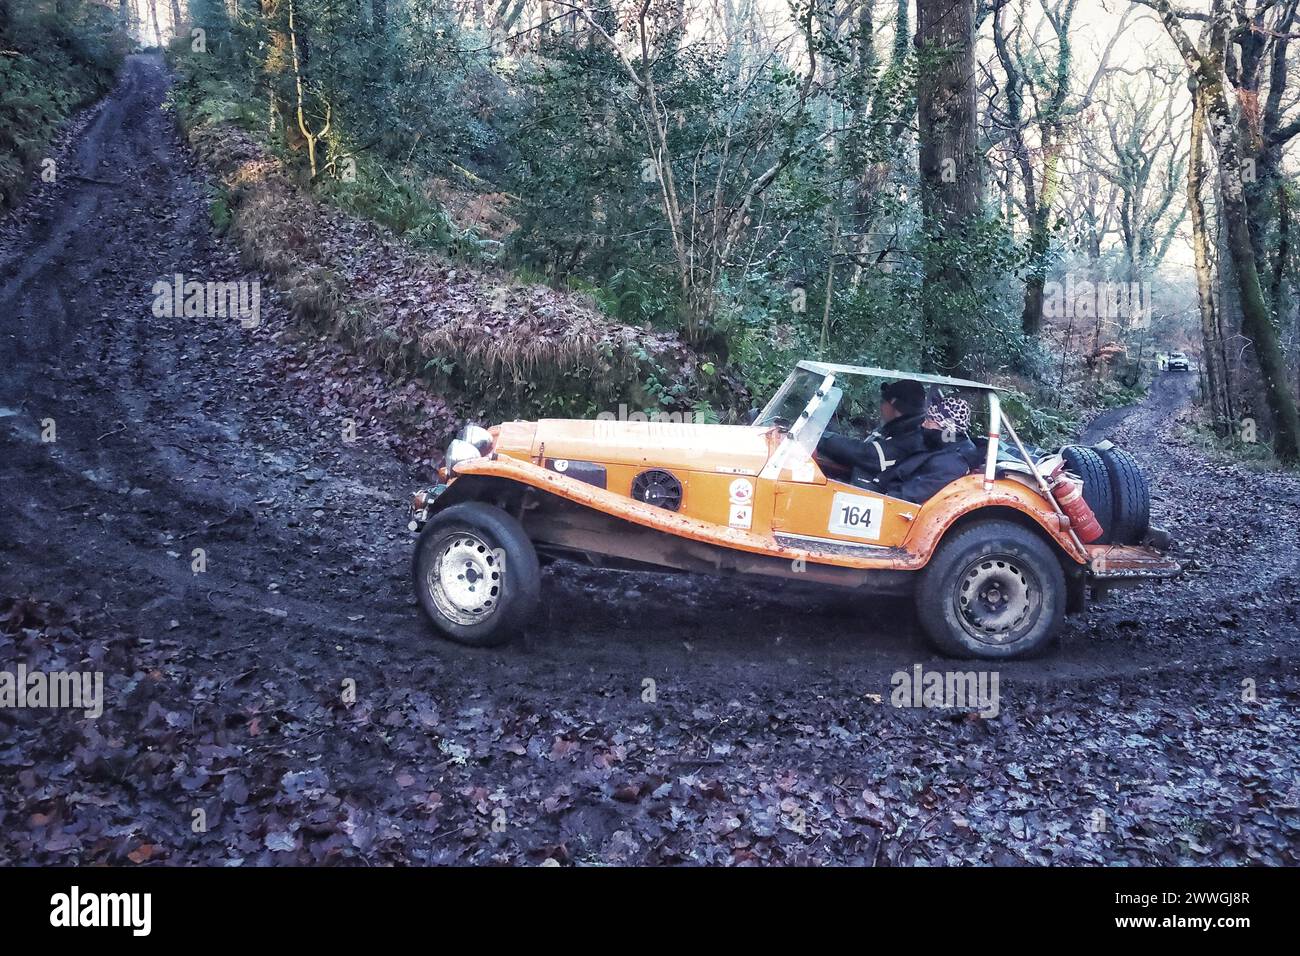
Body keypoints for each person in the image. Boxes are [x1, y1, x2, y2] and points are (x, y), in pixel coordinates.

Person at [816, 379, 930, 486]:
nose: (881, 406)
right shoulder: (904, 433)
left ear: (897, 408)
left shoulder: (909, 442)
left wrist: (819, 437)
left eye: (883, 401)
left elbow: (865, 454)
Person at [878, 396, 980, 503]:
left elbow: (908, 497)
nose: (923, 424)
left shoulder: (952, 464)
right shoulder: (948, 444)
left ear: (946, 428)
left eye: (929, 421)